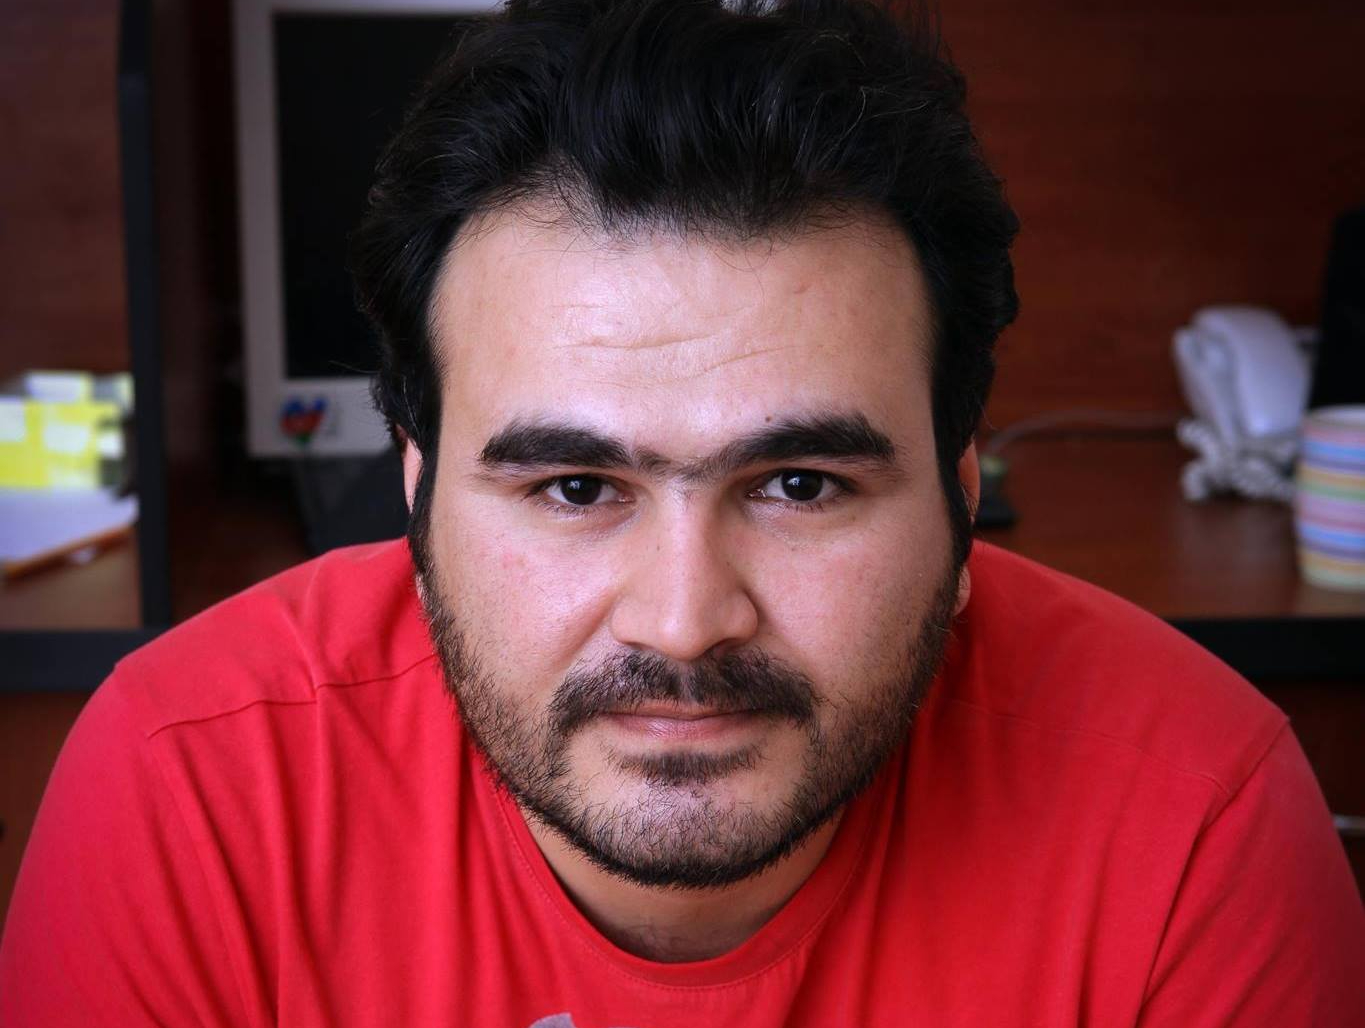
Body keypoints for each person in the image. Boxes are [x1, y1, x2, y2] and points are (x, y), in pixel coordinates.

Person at [2, 0, 1361, 1023]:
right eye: (575, 488)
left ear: (959, 510)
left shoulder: (1196, 821)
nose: (684, 621)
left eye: (799, 485)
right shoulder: (186, 793)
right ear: (416, 504)